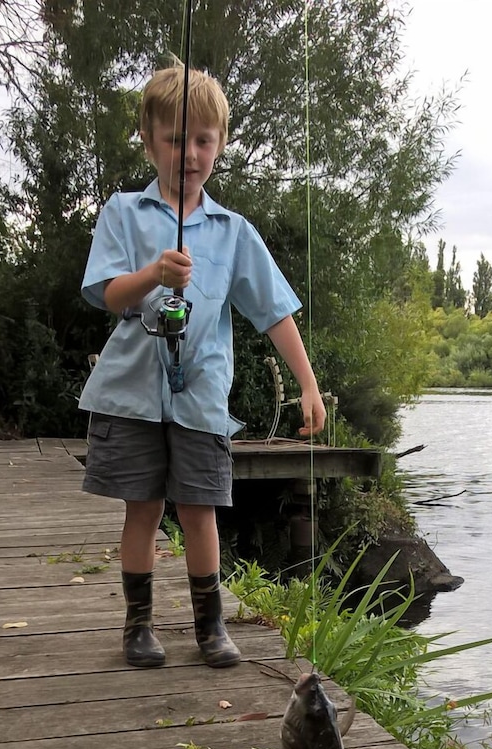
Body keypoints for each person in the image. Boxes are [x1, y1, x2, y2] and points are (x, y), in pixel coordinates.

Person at [79, 63, 326, 670]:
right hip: (131, 394)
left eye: (201, 140)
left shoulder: (234, 231)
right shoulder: (123, 212)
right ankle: (139, 626)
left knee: (200, 511)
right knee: (143, 508)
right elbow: (107, 293)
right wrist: (154, 276)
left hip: (200, 398)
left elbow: (273, 312)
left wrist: (308, 385)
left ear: (218, 145)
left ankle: (210, 627)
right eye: (173, 139)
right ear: (148, 140)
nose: (187, 153)